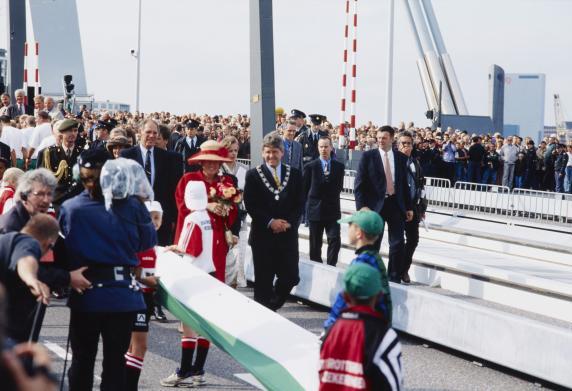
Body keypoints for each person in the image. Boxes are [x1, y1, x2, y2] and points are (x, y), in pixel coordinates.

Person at [59, 150, 157, 390]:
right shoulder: (132, 206)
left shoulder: (71, 208)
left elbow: (65, 247)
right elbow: (147, 241)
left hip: (86, 293)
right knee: (115, 366)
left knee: (82, 362)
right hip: (122, 296)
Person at [161, 181, 215, 388]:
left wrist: (173, 248)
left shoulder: (193, 218)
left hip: (193, 275)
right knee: (203, 328)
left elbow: (190, 248)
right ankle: (198, 370)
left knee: (188, 327)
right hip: (207, 273)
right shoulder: (206, 217)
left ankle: (184, 371)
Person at [244, 132, 304, 310]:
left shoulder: (294, 174)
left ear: (282, 152)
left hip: (287, 235)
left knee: (291, 276)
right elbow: (251, 204)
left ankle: (273, 305)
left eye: (275, 152)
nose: (271, 156)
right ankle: (262, 321)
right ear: (263, 153)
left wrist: (288, 223)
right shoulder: (253, 175)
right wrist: (271, 221)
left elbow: (299, 203)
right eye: (268, 152)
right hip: (263, 236)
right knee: (263, 282)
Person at [319, 263, 403, 391]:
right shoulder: (384, 336)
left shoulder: (329, 331)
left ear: (345, 297)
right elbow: (394, 385)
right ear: (379, 296)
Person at [354, 126, 413, 283]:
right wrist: (361, 208)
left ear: (392, 139)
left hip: (395, 204)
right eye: (378, 138)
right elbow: (359, 185)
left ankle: (393, 277)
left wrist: (409, 207)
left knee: (398, 243)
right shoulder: (368, 157)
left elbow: (403, 185)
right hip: (374, 207)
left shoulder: (401, 158)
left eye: (384, 138)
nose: (380, 140)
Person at [173, 140, 238, 283]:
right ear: (201, 162)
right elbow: (182, 207)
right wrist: (206, 206)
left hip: (218, 239)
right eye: (208, 161)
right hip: (195, 238)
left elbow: (233, 211)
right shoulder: (189, 179)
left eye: (216, 162)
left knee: (217, 278)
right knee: (193, 278)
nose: (212, 165)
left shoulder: (226, 182)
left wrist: (226, 209)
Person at [323, 210, 392, 330]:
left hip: (363, 328)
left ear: (359, 233)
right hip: (376, 325)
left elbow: (345, 298)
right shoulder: (375, 258)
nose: (347, 229)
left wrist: (329, 327)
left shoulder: (361, 264)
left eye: (350, 225)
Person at [121, 119, 183, 245]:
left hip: (161, 220)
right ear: (140, 132)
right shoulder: (126, 155)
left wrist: (173, 219)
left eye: (155, 133)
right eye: (148, 132)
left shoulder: (169, 158)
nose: (152, 136)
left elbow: (174, 191)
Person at [0, 214, 58, 343]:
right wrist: (32, 280)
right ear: (48, 242)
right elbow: (25, 259)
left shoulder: (6, 239)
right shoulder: (28, 242)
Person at [125, 200, 163, 391]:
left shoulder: (153, 242)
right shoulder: (140, 241)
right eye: (149, 217)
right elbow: (136, 272)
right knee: (139, 347)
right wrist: (159, 284)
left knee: (133, 347)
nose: (153, 222)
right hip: (136, 297)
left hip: (144, 298)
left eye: (157, 218)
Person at [303, 136, 344, 266]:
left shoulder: (339, 167)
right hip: (315, 211)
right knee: (315, 243)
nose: (324, 149)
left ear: (331, 147)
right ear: (318, 148)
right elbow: (304, 189)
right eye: (321, 146)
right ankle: (316, 266)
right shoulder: (310, 166)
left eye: (326, 146)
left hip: (333, 211)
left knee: (335, 239)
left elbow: (339, 187)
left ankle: (331, 266)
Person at [398, 131, 426, 283]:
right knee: (397, 241)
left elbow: (421, 186)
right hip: (398, 207)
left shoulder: (416, 163)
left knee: (413, 240)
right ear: (398, 145)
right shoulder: (395, 162)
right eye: (403, 143)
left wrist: (422, 208)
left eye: (409, 143)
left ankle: (404, 269)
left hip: (414, 207)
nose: (406, 146)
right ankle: (396, 270)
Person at [220, 136, 249, 287]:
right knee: (225, 254)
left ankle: (236, 282)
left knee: (240, 253)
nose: (233, 153)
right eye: (229, 150)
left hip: (240, 216)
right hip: (223, 216)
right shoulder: (218, 169)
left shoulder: (244, 169)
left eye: (236, 150)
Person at [38, 119, 83, 206]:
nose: (73, 134)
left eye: (75, 131)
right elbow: (41, 179)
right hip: (56, 200)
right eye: (69, 131)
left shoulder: (83, 153)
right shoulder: (49, 153)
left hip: (76, 199)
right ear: (62, 133)